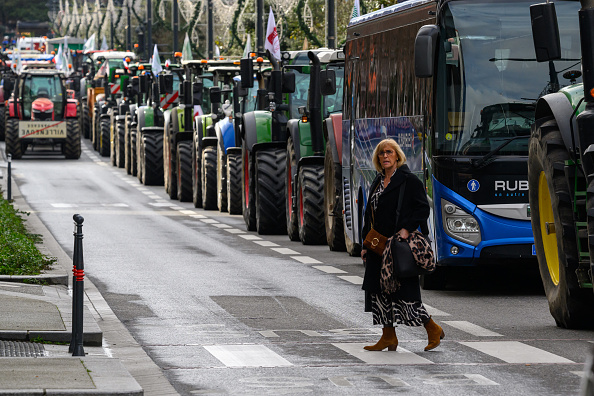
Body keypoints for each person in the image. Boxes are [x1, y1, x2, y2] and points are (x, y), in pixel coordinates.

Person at [360, 138, 444, 352]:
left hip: (397, 247)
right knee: (378, 293)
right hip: (377, 247)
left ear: (397, 155)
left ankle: (432, 328)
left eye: (389, 152)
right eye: (381, 153)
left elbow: (422, 208)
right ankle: (388, 336)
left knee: (405, 294)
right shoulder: (378, 181)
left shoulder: (409, 180)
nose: (385, 156)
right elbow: (369, 214)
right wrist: (365, 243)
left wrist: (406, 228)